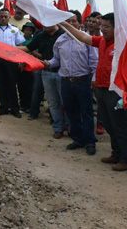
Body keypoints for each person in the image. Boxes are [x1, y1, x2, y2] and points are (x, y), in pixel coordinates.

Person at [60, 13, 127, 171]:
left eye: (106, 27)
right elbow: (83, 37)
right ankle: (116, 153)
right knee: (108, 123)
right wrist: (64, 24)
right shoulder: (101, 41)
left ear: (117, 28)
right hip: (101, 89)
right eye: (102, 26)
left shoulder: (124, 43)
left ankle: (126, 159)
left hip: (116, 91)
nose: (102, 29)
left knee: (120, 124)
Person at [45, 10, 98, 155]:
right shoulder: (60, 40)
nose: (70, 24)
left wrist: (93, 79)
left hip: (83, 80)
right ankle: (78, 139)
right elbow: (56, 60)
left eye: (74, 21)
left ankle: (89, 141)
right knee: (71, 111)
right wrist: (47, 63)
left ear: (80, 23)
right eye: (68, 21)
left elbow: (94, 61)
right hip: (66, 81)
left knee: (86, 112)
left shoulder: (87, 39)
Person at [20, 24, 65, 135]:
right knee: (52, 102)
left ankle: (70, 127)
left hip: (62, 73)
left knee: (65, 102)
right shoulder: (41, 35)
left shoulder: (63, 35)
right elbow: (27, 48)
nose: (45, 24)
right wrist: (5, 47)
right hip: (46, 72)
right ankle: (58, 128)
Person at [0, 8, 26, 118]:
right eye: (1, 16)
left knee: (12, 83)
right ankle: (3, 107)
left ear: (9, 17)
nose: (3, 18)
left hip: (10, 60)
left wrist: (21, 61)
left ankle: (15, 108)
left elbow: (21, 46)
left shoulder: (15, 30)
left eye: (5, 16)